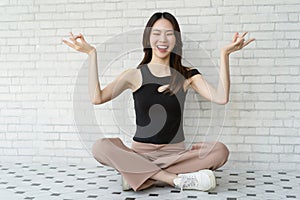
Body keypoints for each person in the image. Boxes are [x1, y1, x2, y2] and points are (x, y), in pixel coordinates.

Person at [62, 12, 255, 192]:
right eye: (157, 33)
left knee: (220, 151)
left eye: (169, 34)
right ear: (148, 38)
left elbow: (221, 97)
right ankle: (174, 179)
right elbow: (97, 98)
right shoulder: (134, 74)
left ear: (176, 40)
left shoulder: (187, 75)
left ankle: (139, 175)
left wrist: (224, 55)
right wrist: (92, 54)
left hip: (176, 155)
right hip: (140, 154)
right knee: (100, 147)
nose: (162, 40)